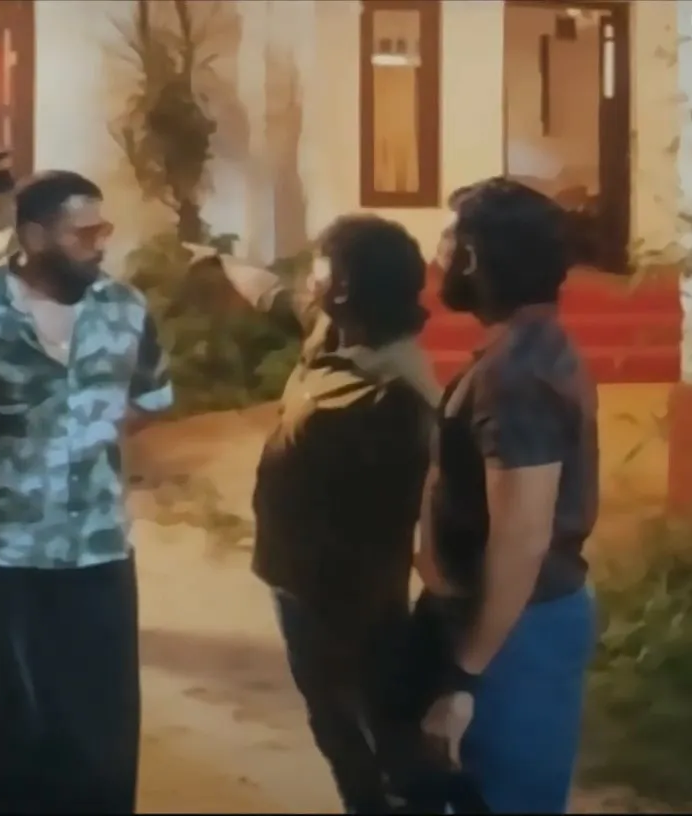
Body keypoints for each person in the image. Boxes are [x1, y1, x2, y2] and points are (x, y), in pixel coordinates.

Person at [0, 170, 170, 813]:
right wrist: (2, 463)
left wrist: (83, 440)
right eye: (84, 233)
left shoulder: (126, 308)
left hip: (96, 546)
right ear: (33, 235)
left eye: (103, 230)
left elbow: (152, 397)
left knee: (97, 726)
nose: (100, 244)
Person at [189, 215, 440, 813]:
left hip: (350, 601)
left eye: (320, 264)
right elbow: (276, 296)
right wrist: (220, 261)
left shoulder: (397, 394)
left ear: (346, 285)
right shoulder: (336, 333)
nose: (309, 274)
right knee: (333, 725)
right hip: (297, 580)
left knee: (376, 737)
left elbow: (423, 506)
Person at [419, 176, 601, 814]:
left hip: (515, 634)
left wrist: (465, 678)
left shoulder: (515, 377)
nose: (439, 253)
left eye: (449, 238)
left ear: (473, 257)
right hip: (512, 625)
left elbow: (523, 538)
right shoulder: (526, 349)